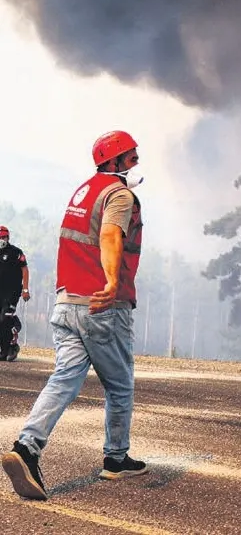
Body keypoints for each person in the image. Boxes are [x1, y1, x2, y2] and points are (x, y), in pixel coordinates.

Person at [2, 131, 149, 500]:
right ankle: (116, 459)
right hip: (100, 305)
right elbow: (111, 236)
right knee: (120, 384)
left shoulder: (84, 192)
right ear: (113, 163)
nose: (136, 164)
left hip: (66, 303)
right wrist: (113, 281)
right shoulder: (119, 194)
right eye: (131, 159)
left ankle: (26, 447)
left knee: (64, 378)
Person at [0, 226, 30, 362]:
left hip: (12, 292)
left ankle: (11, 344)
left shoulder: (16, 252)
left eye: (3, 237)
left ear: (7, 238)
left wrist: (25, 289)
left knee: (4, 318)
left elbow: (25, 270)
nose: (1, 240)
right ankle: (5, 349)